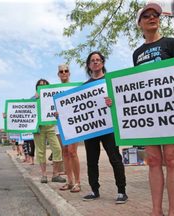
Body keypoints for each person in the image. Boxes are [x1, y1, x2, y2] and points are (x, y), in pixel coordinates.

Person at [105, 3, 174, 216]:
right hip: (149, 116)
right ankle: (156, 211)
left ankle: (173, 211)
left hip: (170, 113)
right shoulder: (137, 53)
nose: (152, 17)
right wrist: (116, 101)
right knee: (153, 161)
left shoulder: (171, 43)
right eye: (147, 15)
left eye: (155, 14)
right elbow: (136, 86)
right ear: (140, 24)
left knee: (172, 159)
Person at [82, 51, 128, 204]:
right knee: (91, 161)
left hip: (109, 128)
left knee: (115, 158)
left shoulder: (110, 81)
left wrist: (112, 102)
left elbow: (121, 100)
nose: (95, 62)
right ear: (89, 65)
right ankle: (94, 190)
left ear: (102, 63)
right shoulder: (83, 87)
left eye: (98, 60)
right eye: (92, 60)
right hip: (91, 129)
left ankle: (122, 191)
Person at [34, 79, 66, 184]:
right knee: (41, 151)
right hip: (39, 128)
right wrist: (7, 116)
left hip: (51, 127)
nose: (42, 87)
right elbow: (24, 111)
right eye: (40, 85)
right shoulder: (33, 99)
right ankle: (44, 175)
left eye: (44, 85)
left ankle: (55, 174)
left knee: (57, 149)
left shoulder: (52, 98)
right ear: (37, 88)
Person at [55, 64, 81, 193]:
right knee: (64, 152)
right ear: (58, 74)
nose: (64, 73)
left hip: (73, 123)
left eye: (66, 71)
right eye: (61, 71)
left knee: (72, 152)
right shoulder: (52, 90)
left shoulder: (75, 87)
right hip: (59, 123)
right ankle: (69, 181)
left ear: (69, 73)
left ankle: (78, 182)